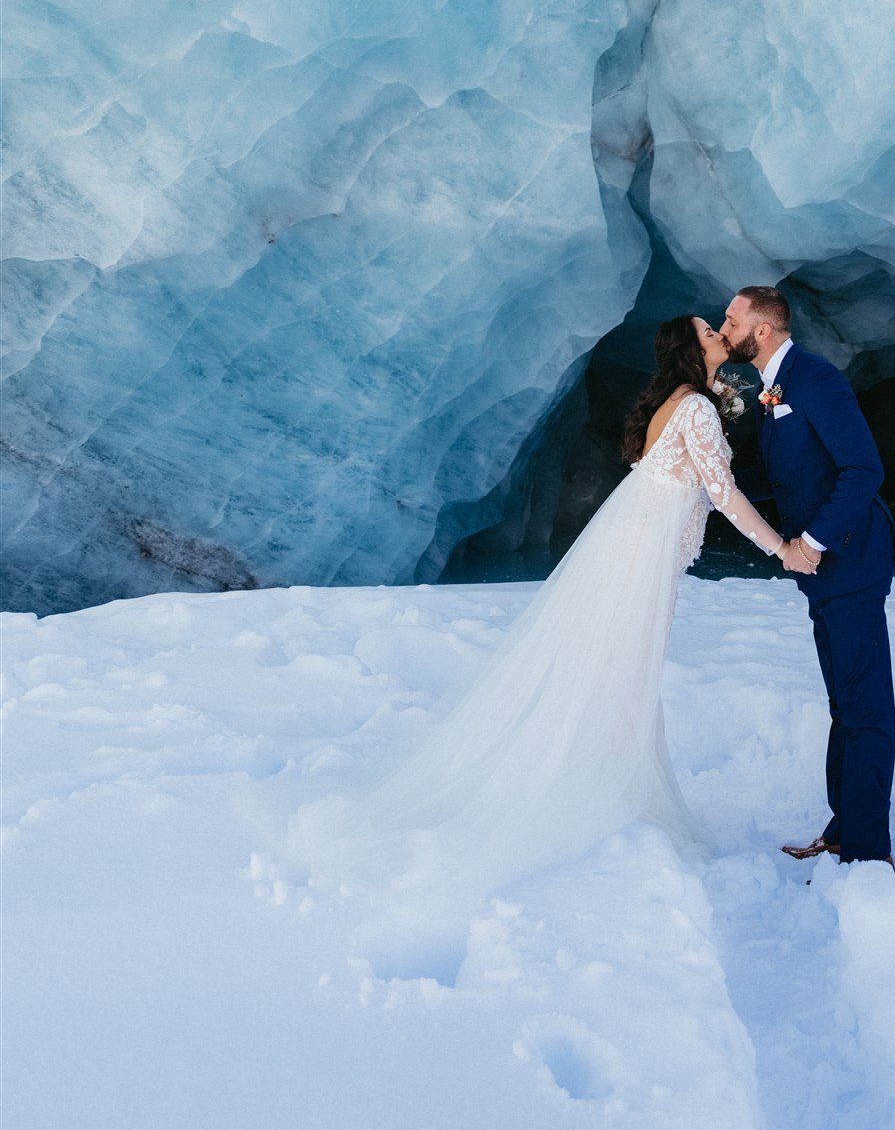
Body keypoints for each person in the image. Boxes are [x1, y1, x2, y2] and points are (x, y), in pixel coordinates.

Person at [279, 315, 786, 928]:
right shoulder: (698, 410)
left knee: (619, 667)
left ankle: (613, 785)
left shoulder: (678, 403)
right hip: (643, 556)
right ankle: (605, 796)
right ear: (691, 352)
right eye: (709, 332)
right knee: (625, 669)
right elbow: (723, 492)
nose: (718, 335)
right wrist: (781, 549)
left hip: (631, 545)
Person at [719, 285, 895, 867]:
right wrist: (711, 483)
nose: (724, 328)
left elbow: (863, 469)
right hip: (825, 575)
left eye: (732, 319)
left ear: (764, 330)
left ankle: (868, 854)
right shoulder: (775, 390)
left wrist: (811, 541)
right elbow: (790, 477)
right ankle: (845, 829)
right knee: (843, 704)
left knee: (866, 709)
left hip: (850, 560)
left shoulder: (815, 379)